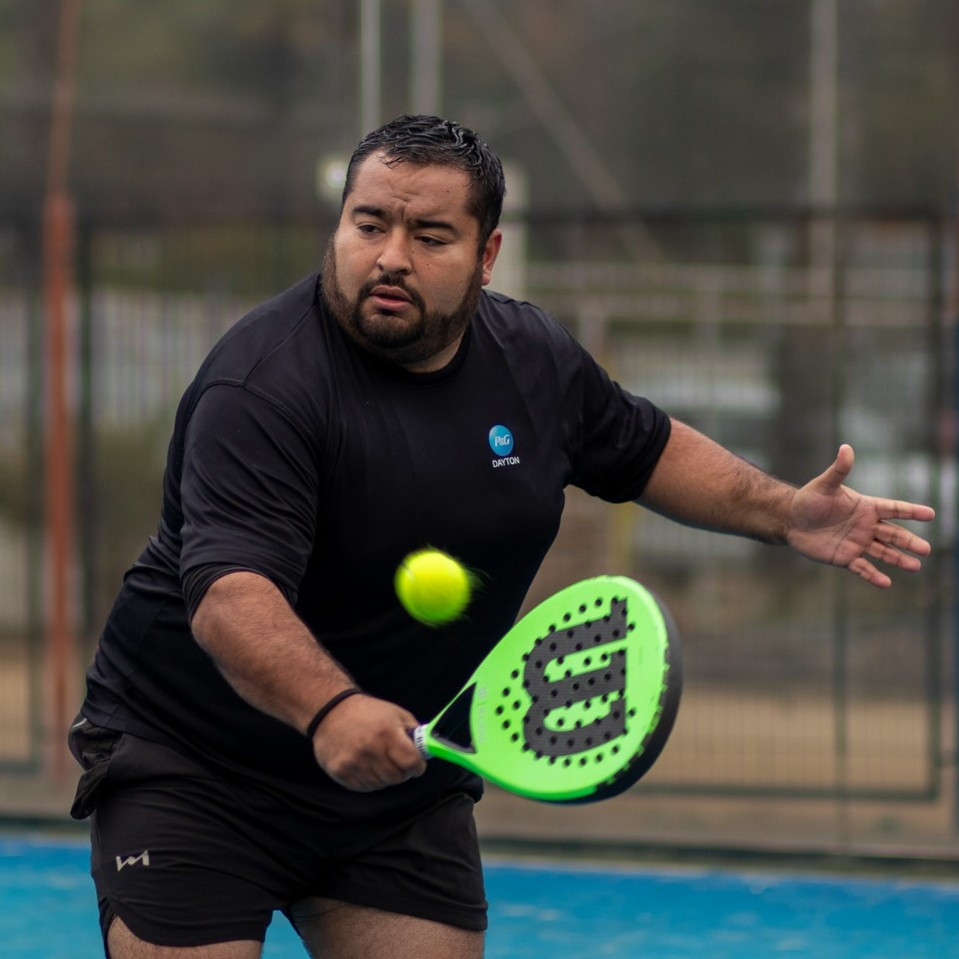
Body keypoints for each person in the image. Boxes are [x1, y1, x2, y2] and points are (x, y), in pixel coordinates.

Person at [69, 114, 935, 959]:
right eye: (368, 224)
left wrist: (784, 511)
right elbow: (229, 595)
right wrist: (331, 709)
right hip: (198, 766)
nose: (391, 256)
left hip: (400, 779)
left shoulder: (532, 360)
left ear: (486, 256)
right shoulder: (263, 386)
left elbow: (647, 449)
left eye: (429, 235)